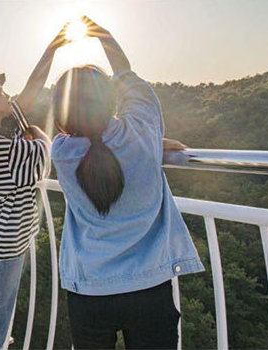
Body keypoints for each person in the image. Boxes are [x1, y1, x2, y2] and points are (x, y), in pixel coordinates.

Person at [49, 17, 204, 349]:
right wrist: (102, 34)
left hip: (89, 291)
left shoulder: (61, 153)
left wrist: (151, 142)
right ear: (108, 99)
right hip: (150, 288)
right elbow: (127, 76)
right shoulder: (142, 130)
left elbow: (92, 141)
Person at [0, 23, 69, 350]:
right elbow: (43, 155)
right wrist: (37, 130)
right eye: (2, 93)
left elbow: (32, 89)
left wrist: (52, 49)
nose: (8, 95)